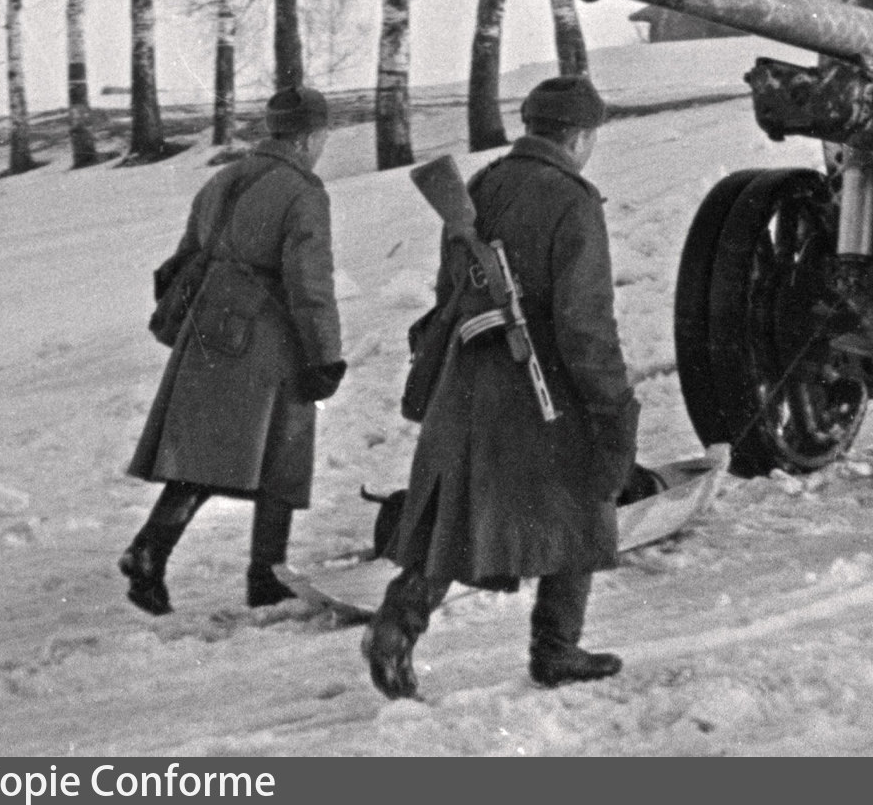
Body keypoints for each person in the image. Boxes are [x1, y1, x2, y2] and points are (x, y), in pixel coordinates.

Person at [366, 75, 639, 697]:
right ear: (578, 135)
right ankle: (556, 648)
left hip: (468, 373)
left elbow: (449, 291)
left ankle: (394, 627)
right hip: (542, 377)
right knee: (586, 489)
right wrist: (611, 403)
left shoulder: (482, 186)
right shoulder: (573, 200)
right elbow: (585, 321)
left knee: (456, 509)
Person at [121, 84, 346, 615]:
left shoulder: (223, 179)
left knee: (207, 449)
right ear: (311, 135)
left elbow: (185, 256)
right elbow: (309, 283)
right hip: (267, 333)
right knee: (284, 449)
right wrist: (325, 355)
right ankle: (265, 578)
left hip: (208, 327)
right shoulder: (302, 191)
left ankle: (151, 548)